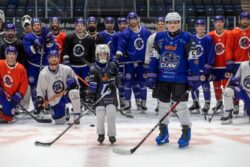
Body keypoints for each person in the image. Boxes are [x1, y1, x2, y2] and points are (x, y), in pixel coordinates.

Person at [147, 12, 191, 148]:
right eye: (170, 22)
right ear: (166, 24)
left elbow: (193, 59)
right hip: (163, 78)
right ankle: (163, 132)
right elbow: (154, 57)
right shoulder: (159, 37)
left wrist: (193, 77)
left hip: (180, 78)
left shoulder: (187, 37)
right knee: (163, 105)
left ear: (179, 23)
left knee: (181, 106)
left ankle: (186, 132)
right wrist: (151, 74)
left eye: (175, 22)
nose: (172, 25)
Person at [116, 12, 151, 113]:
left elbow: (150, 45)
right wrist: (119, 54)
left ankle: (143, 103)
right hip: (129, 62)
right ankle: (127, 103)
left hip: (142, 62)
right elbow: (121, 46)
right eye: (131, 19)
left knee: (143, 82)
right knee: (128, 82)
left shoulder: (145, 32)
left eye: (134, 19)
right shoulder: (125, 33)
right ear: (128, 21)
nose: (133, 21)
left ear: (137, 20)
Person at [36, 50, 81, 124]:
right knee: (59, 122)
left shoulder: (66, 69)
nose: (54, 59)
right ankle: (64, 111)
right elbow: (41, 90)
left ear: (59, 58)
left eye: (56, 57)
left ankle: (76, 115)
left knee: (74, 92)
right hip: (54, 100)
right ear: (48, 59)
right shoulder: (43, 73)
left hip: (66, 95)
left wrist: (74, 83)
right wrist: (40, 101)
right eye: (51, 57)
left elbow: (77, 82)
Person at [88, 44, 119, 144]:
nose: (102, 56)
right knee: (100, 117)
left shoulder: (112, 66)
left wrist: (115, 80)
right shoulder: (94, 68)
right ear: (97, 56)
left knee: (111, 114)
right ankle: (100, 134)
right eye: (100, 55)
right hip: (99, 97)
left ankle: (112, 135)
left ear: (108, 55)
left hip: (111, 96)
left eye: (104, 54)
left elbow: (119, 79)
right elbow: (93, 83)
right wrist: (91, 96)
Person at [63, 17, 95, 110]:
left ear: (85, 27)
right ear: (75, 27)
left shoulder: (90, 39)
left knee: (85, 85)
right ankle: (76, 104)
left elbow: (92, 54)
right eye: (78, 26)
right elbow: (66, 51)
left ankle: (86, 102)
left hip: (85, 67)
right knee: (73, 86)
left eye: (81, 26)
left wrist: (92, 65)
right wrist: (66, 62)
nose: (80, 27)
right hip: (73, 67)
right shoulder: (70, 37)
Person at [23, 17, 56, 105]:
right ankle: (36, 105)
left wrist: (48, 41)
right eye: (35, 25)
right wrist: (35, 46)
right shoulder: (28, 37)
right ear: (32, 26)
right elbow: (28, 52)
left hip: (45, 65)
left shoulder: (48, 35)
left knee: (47, 86)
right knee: (34, 86)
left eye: (38, 25)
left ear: (40, 26)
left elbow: (53, 51)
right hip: (33, 66)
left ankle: (46, 104)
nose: (37, 27)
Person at [188, 19, 215, 115]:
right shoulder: (191, 38)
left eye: (202, 26)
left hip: (204, 67)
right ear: (195, 27)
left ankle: (207, 103)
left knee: (205, 86)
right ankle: (195, 103)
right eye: (198, 26)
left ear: (204, 27)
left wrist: (207, 69)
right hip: (194, 67)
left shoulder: (208, 39)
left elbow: (210, 54)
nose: (200, 28)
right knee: (192, 86)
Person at [225, 11, 250, 115]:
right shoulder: (233, 32)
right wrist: (229, 61)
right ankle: (235, 105)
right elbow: (229, 47)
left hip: (248, 64)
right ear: (240, 20)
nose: (245, 21)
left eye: (247, 19)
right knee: (235, 84)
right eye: (243, 19)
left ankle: (247, 104)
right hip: (236, 63)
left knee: (247, 84)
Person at [0, 46, 28, 123]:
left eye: (13, 54)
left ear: (16, 55)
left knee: (8, 117)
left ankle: (5, 110)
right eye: (9, 54)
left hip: (12, 97)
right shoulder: (0, 64)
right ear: (6, 55)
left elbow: (24, 84)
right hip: (2, 93)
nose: (11, 56)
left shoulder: (21, 68)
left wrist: (20, 94)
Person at [208, 16, 230, 113]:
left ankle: (230, 105)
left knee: (227, 87)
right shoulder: (210, 35)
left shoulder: (229, 34)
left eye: (220, 22)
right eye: (217, 22)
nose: (219, 24)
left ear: (223, 23)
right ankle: (219, 103)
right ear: (214, 23)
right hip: (215, 66)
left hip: (225, 66)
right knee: (216, 86)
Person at [145, 17, 165, 113]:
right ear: (156, 25)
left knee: (168, 84)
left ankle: (169, 104)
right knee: (157, 85)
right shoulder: (151, 37)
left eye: (162, 24)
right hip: (156, 65)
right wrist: (148, 64)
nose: (160, 25)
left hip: (168, 64)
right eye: (159, 24)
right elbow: (149, 52)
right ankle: (159, 104)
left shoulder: (170, 35)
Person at [221, 54, 250, 124]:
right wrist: (232, 79)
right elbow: (237, 78)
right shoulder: (243, 65)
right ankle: (228, 114)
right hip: (244, 91)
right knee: (228, 91)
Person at [110, 17, 128, 108]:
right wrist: (114, 59)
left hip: (129, 62)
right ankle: (122, 101)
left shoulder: (130, 34)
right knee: (120, 81)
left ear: (127, 24)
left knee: (129, 81)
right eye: (120, 24)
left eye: (124, 23)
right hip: (119, 62)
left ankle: (130, 101)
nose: (122, 25)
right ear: (118, 25)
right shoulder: (116, 36)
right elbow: (112, 49)